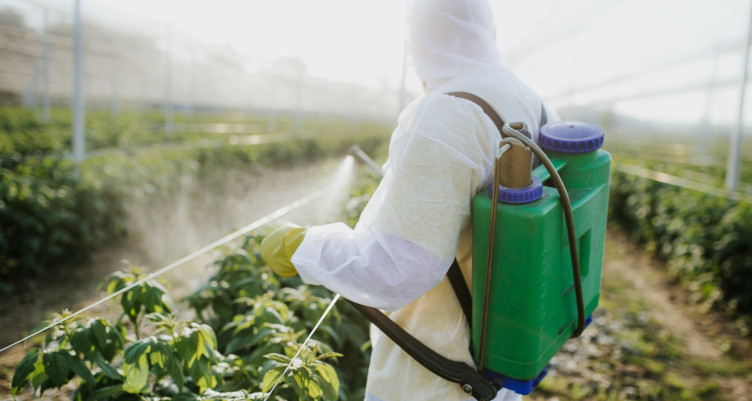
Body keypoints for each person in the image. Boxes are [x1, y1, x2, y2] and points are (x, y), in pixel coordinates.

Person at [261, 0, 558, 400]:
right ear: (487, 29)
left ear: (418, 39)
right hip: (500, 359)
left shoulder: (448, 114)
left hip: (439, 374)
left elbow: (397, 270)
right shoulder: (528, 98)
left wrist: (305, 247)